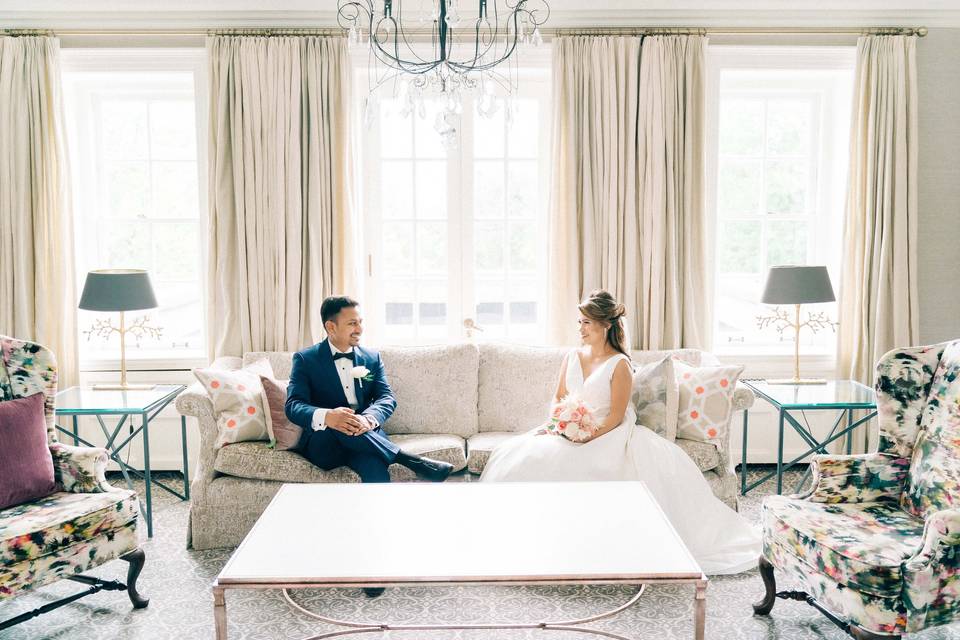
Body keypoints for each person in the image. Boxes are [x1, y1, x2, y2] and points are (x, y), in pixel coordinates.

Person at [480, 289, 760, 575]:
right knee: (521, 459)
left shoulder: (620, 364)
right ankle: (531, 544)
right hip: (568, 430)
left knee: (581, 465)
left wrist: (587, 435)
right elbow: (559, 398)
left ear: (606, 325)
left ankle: (586, 549)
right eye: (580, 322)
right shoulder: (572, 357)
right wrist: (559, 424)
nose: (581, 329)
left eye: (587, 323)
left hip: (607, 432)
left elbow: (615, 415)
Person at [285, 295, 454, 485]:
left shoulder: (372, 358)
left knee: (376, 471)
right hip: (325, 442)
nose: (359, 329)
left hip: (365, 438)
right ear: (331, 327)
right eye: (352, 323)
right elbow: (293, 405)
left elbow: (386, 398)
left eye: (360, 322)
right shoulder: (306, 359)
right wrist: (328, 416)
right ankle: (411, 461)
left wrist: (367, 419)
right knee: (341, 425)